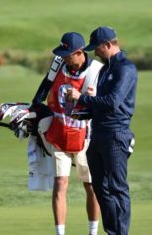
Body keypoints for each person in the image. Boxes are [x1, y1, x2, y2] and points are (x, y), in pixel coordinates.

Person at [68, 26, 137, 235]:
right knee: (101, 188)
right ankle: (112, 231)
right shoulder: (106, 68)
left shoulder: (125, 68)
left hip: (116, 134)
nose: (95, 53)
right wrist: (83, 113)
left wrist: (81, 98)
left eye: (97, 48)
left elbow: (113, 102)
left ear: (108, 45)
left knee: (117, 188)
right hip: (98, 134)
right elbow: (100, 104)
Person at [32, 32, 101, 235]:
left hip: (86, 138)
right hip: (59, 134)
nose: (63, 57)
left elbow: (104, 105)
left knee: (90, 186)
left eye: (67, 54)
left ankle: (93, 231)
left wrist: (90, 98)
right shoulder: (58, 64)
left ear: (79, 53)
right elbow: (43, 90)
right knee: (60, 183)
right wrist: (33, 110)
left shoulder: (96, 71)